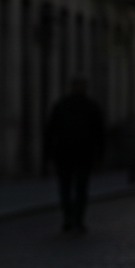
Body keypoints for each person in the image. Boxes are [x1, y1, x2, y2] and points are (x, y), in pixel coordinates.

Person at [43, 77, 105, 233]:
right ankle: (77, 219)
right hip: (82, 154)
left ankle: (69, 217)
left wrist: (48, 155)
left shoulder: (62, 105)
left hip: (65, 154)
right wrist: (100, 155)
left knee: (66, 188)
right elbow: (100, 133)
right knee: (80, 189)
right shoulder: (90, 106)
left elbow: (50, 131)